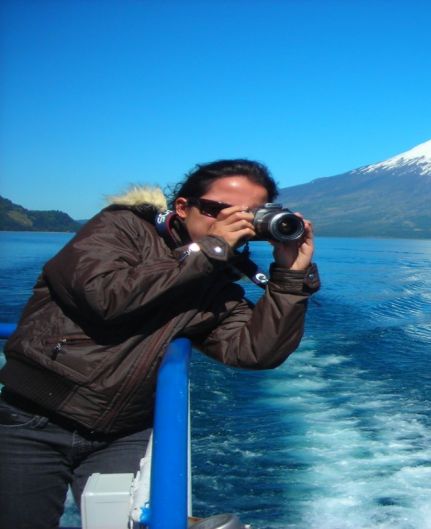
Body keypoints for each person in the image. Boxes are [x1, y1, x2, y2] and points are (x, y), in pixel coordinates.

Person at [0, 159, 319, 528]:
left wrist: (290, 277)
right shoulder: (121, 227)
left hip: (124, 433)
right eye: (217, 210)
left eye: (248, 214)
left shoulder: (218, 284)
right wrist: (210, 250)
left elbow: (255, 351)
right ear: (183, 208)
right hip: (30, 421)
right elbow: (104, 298)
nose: (232, 222)